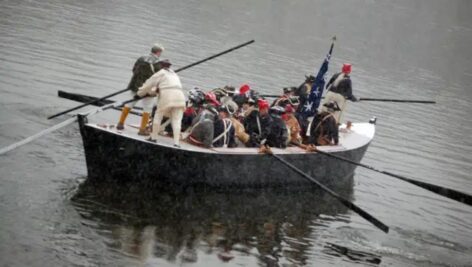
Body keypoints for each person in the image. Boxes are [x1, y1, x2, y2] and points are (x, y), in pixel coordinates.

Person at [117, 43, 164, 134]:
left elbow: (134, 69)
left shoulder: (141, 58)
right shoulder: (158, 62)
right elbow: (159, 77)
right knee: (147, 108)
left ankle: (120, 123)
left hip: (135, 86)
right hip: (147, 89)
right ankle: (142, 129)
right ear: (158, 52)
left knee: (129, 104)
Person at [137, 59, 186, 147]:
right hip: (180, 97)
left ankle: (153, 138)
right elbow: (163, 87)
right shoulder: (175, 74)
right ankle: (176, 143)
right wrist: (154, 91)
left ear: (161, 65)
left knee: (158, 115)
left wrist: (140, 93)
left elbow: (148, 84)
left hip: (168, 97)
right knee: (177, 120)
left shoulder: (160, 73)